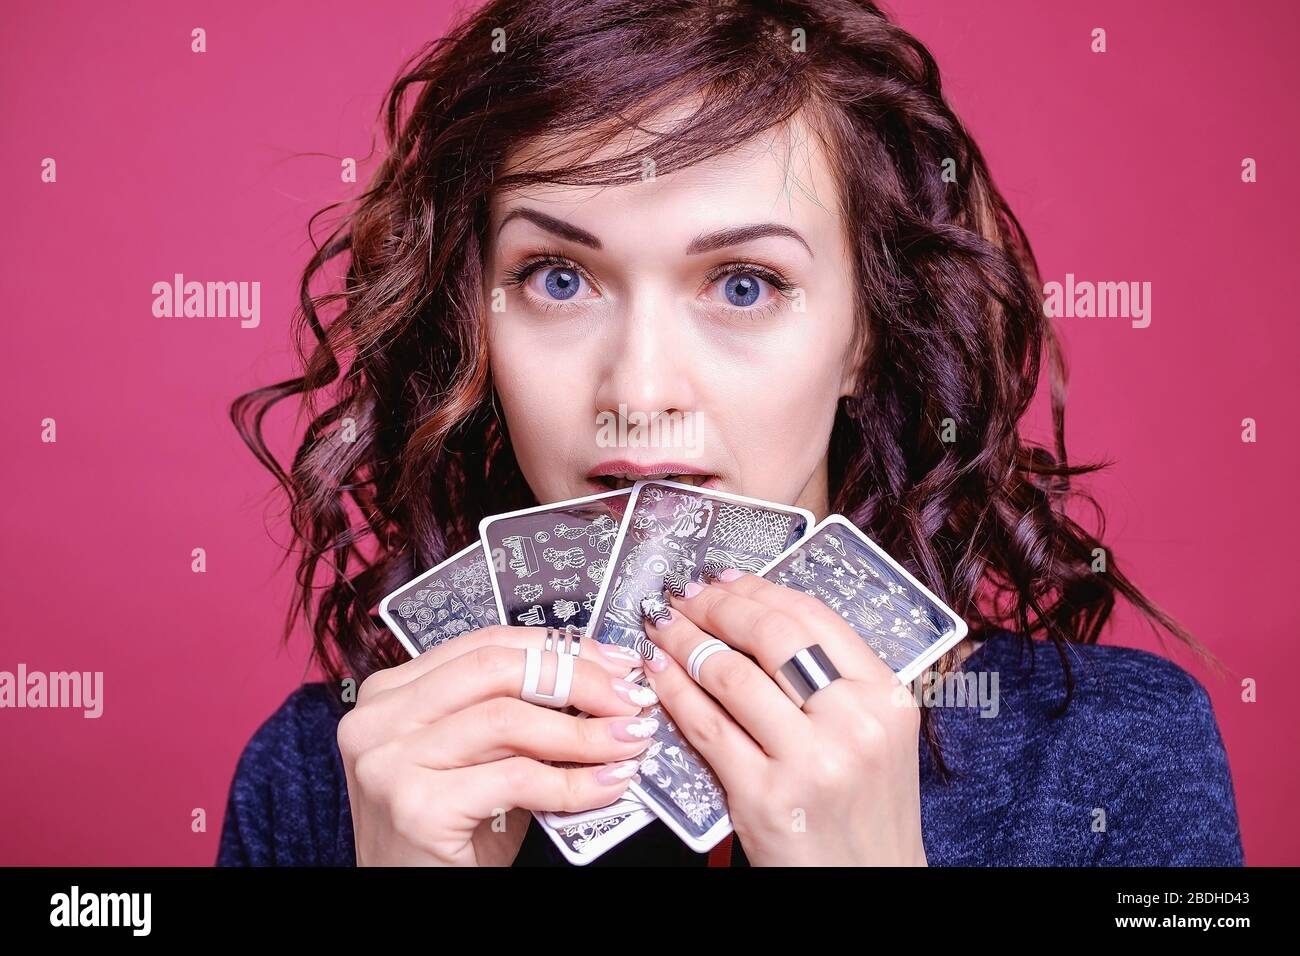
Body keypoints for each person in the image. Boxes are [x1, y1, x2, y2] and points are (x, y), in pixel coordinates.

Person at [218, 0, 1243, 866]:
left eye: (743, 284)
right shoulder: (321, 778)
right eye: (558, 278)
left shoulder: (1115, 755)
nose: (641, 388)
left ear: (862, 333)